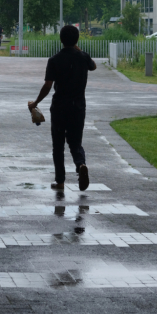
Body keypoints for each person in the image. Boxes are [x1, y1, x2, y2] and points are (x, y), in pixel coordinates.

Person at [28, 25, 96, 191]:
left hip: (59, 107)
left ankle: (60, 181)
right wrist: (78, 49)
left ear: (60, 39)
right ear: (77, 40)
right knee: (75, 142)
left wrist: (35, 103)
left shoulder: (54, 60)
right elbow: (93, 66)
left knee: (58, 145)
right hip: (78, 107)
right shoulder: (83, 57)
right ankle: (80, 165)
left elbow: (48, 85)